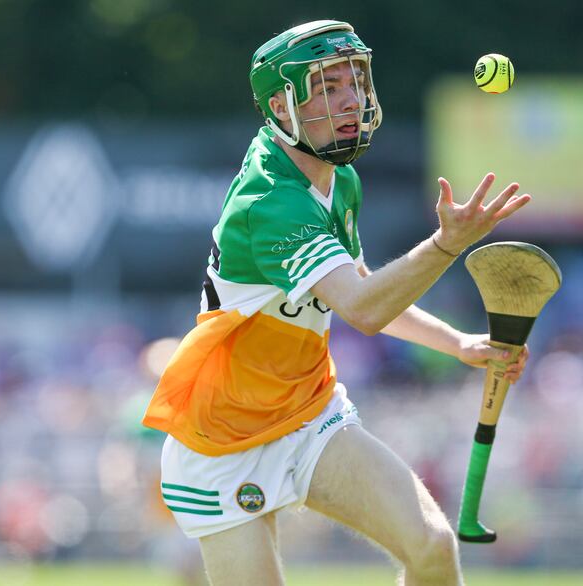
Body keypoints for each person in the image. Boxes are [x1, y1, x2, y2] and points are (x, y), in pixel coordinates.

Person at [143, 19, 531, 586]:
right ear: (281, 106)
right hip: (219, 444)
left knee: (431, 548)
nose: (350, 100)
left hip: (309, 415)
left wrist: (456, 343)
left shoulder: (337, 178)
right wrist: (446, 244)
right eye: (327, 89)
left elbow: (364, 284)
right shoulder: (269, 204)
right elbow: (364, 310)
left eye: (353, 82)